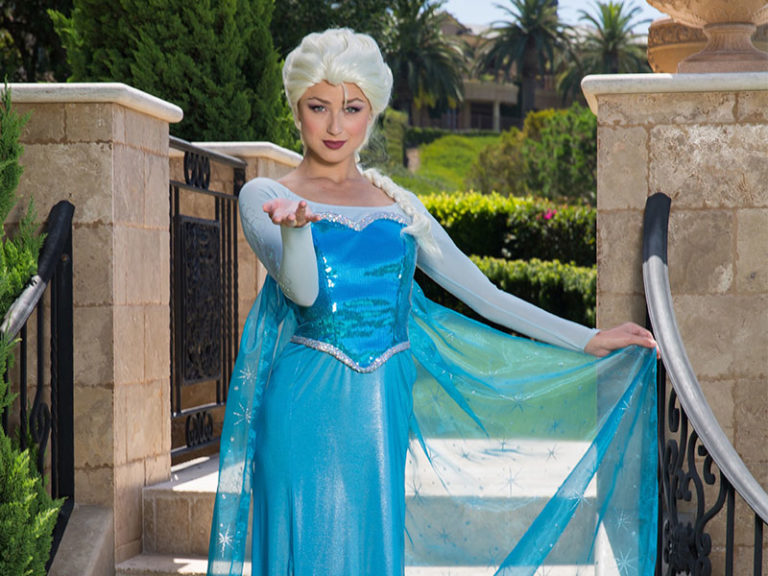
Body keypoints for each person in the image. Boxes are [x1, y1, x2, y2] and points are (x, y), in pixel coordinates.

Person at [208, 28, 658, 576]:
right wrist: (297, 231)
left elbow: (485, 295)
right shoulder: (265, 196)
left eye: (352, 108)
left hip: (381, 409)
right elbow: (303, 292)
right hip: (305, 407)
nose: (335, 126)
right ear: (296, 110)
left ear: (372, 112)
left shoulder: (399, 205)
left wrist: (588, 338)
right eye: (318, 107)